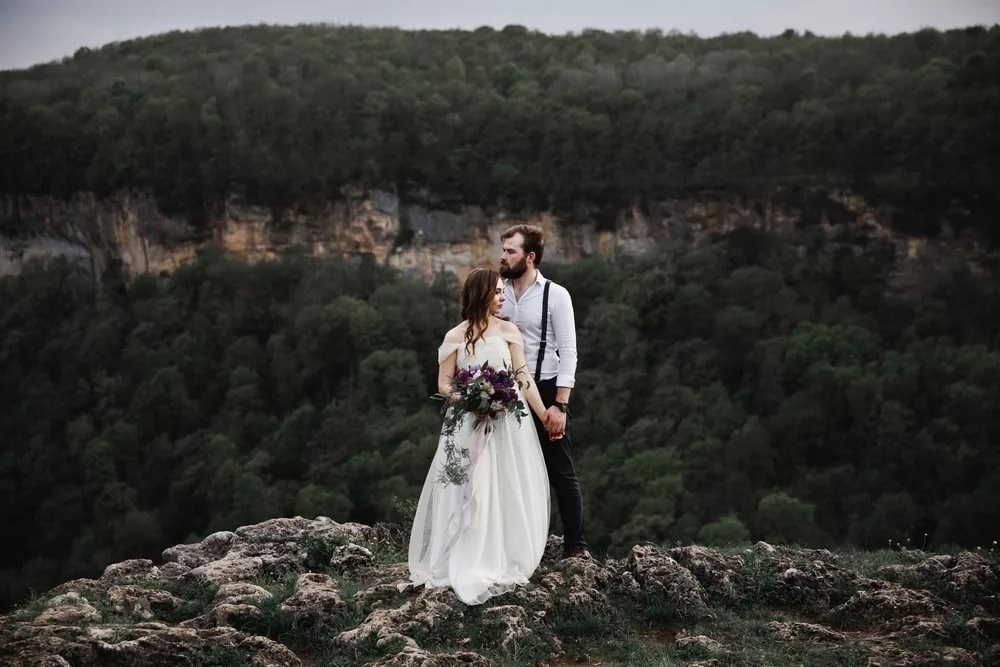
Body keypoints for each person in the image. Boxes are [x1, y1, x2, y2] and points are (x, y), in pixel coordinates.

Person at [405, 268, 552, 605]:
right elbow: (444, 384)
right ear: (481, 294)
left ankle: (503, 552)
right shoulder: (455, 336)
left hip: (507, 424)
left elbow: (522, 377)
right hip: (467, 422)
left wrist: (543, 413)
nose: (502, 297)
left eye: (502, 291)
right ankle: (466, 552)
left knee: (505, 483)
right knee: (467, 486)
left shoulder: (509, 330)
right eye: (497, 292)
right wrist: (470, 398)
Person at [499, 224, 590, 560]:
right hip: (505, 391)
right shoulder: (497, 291)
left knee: (561, 472)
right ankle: (513, 549)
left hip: (547, 388)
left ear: (530, 257)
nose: (503, 256)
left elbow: (569, 351)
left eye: (510, 251)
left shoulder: (556, 295)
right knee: (508, 472)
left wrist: (560, 405)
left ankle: (575, 546)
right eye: (503, 250)